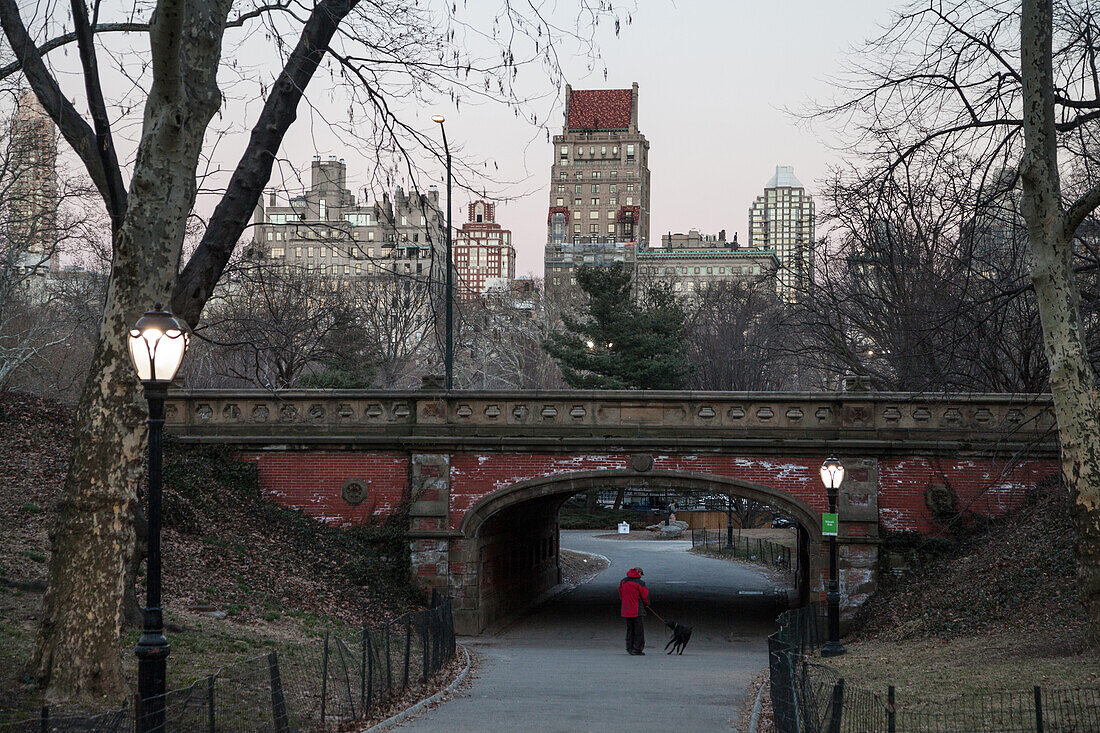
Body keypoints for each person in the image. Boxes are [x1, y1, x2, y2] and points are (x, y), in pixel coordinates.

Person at [618, 566, 649, 655]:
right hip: (637, 609)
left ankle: (629, 647)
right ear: (638, 572)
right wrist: (646, 604)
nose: (641, 576)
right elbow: (645, 597)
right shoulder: (640, 583)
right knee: (639, 630)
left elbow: (621, 593)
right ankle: (637, 648)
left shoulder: (623, 581)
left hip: (626, 609)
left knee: (630, 629)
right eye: (641, 574)